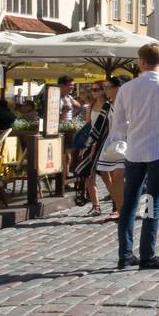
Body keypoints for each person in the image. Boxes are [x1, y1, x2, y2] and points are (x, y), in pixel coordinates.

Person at [107, 43, 159, 270]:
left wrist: (132, 134)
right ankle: (147, 254)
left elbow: (118, 124)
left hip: (134, 152)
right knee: (152, 203)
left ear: (141, 61)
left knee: (128, 203)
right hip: (158, 152)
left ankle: (125, 254)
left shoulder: (127, 89)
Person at [71, 79, 115, 217]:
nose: (94, 92)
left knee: (106, 176)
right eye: (93, 90)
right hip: (91, 143)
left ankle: (116, 204)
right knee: (88, 175)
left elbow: (110, 126)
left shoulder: (109, 106)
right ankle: (96, 206)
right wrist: (86, 145)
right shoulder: (91, 105)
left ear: (104, 90)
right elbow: (89, 126)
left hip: (104, 143)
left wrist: (97, 145)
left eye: (97, 89)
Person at [93, 77, 128, 219]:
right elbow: (99, 126)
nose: (105, 90)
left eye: (108, 87)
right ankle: (121, 211)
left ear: (118, 88)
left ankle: (124, 211)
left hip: (127, 143)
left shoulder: (128, 103)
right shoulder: (108, 105)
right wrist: (92, 144)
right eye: (104, 87)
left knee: (119, 177)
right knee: (112, 176)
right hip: (113, 143)